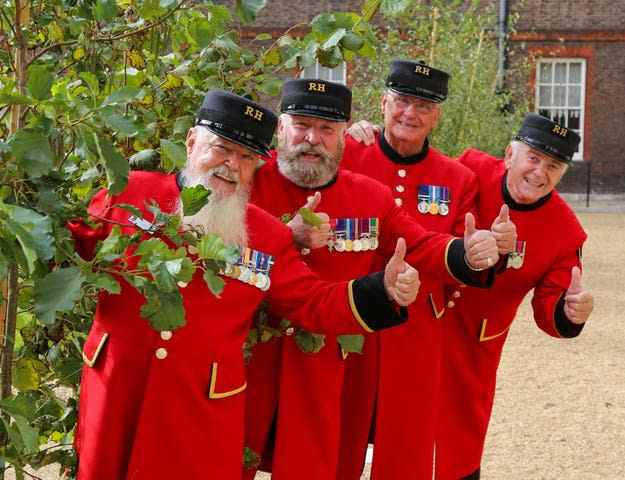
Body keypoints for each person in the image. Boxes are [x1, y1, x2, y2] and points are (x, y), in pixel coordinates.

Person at [67, 90, 425, 480]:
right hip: (118, 388)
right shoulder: (130, 194)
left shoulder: (267, 235)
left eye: (246, 157)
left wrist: (383, 290)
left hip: (201, 406)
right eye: (221, 149)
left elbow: (312, 301)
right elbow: (68, 248)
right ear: (191, 142)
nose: (230, 166)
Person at [243, 78, 503, 480]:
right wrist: (283, 236)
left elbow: (419, 244)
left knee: (321, 466)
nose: (313, 139)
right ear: (281, 128)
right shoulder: (247, 185)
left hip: (327, 367)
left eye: (327, 129)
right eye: (302, 125)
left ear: (343, 135)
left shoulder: (370, 196)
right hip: (252, 360)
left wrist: (466, 253)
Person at [339, 59, 516, 479]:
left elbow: (465, 255)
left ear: (436, 115)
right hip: (348, 319)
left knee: (407, 445)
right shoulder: (347, 154)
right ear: (382, 103)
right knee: (337, 437)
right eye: (401, 101)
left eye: (423, 105)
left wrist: (484, 251)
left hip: (417, 329)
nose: (410, 114)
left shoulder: (456, 177)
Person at [435, 113, 595, 479]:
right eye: (534, 158)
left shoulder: (566, 231)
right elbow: (415, 183)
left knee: (459, 443)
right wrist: (372, 139)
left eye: (553, 166)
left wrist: (571, 312)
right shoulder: (469, 167)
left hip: (474, 345)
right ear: (510, 154)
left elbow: (550, 306)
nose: (540, 172)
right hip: (420, 320)